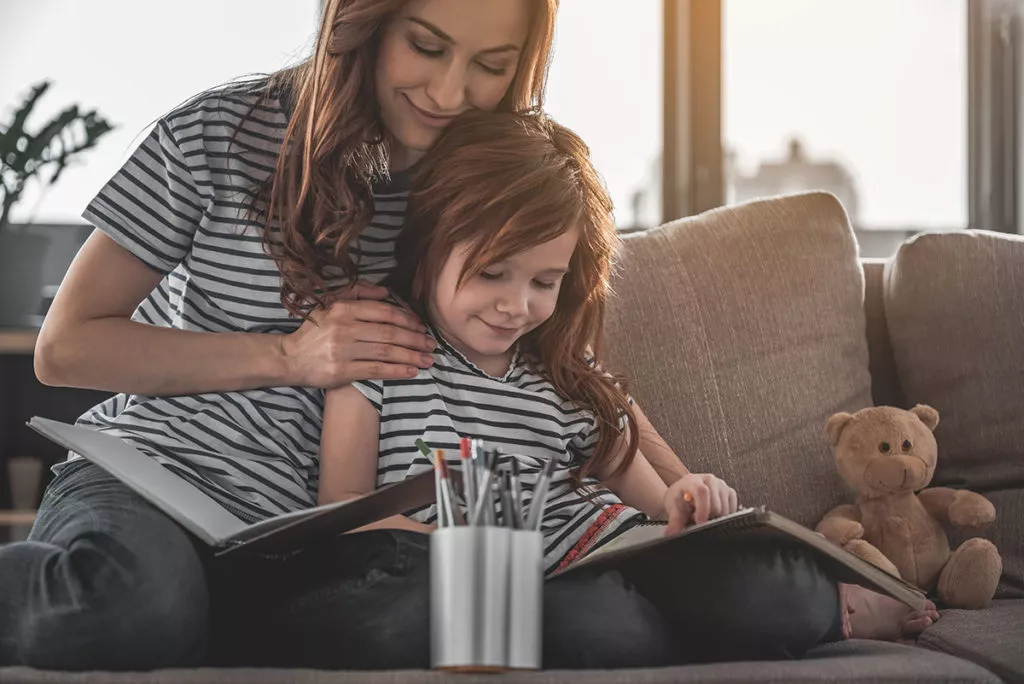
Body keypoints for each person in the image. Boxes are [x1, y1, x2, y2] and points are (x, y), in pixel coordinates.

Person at [0, 0, 559, 670]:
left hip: (322, 539)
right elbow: (65, 349)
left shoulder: (486, 190)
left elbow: (561, 370)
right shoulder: (217, 134)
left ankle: (209, 619)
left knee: (451, 622)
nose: (448, 93)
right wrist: (291, 356)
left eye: (490, 66)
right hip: (154, 478)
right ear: (363, 25)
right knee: (132, 611)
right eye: (425, 46)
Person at [316, 109, 941, 668]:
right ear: (431, 244)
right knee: (600, 627)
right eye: (491, 273)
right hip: (517, 585)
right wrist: (467, 551)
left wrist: (691, 495)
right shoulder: (378, 354)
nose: (515, 305)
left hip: (618, 557)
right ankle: (693, 631)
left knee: (773, 591)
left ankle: (840, 610)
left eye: (544, 281)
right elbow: (340, 512)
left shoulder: (561, 375)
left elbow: (658, 507)